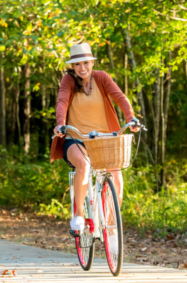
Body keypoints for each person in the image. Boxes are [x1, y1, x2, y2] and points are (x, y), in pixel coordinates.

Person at [51, 43, 138, 235]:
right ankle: (79, 215)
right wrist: (60, 123)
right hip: (76, 138)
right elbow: (62, 101)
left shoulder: (101, 78)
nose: (82, 68)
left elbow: (120, 97)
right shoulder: (68, 81)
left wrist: (131, 118)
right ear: (72, 67)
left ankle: (110, 223)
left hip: (105, 138)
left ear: (92, 62)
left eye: (85, 63)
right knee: (83, 164)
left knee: (116, 179)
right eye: (77, 64)